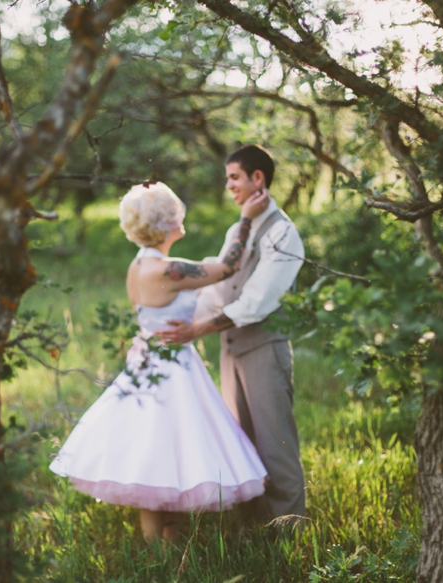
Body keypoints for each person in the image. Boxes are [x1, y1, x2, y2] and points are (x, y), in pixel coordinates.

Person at [50, 181, 270, 542]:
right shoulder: (167, 270)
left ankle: (164, 552)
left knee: (160, 453)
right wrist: (246, 218)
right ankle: (162, 556)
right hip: (170, 369)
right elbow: (228, 267)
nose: (179, 216)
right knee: (167, 450)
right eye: (174, 212)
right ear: (166, 223)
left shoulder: (139, 265)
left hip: (150, 362)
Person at [156, 145, 307, 524]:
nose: (228, 186)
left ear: (259, 179)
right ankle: (255, 527)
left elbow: (256, 301)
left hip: (264, 348)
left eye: (234, 177)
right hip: (231, 349)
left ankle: (289, 533)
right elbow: (219, 290)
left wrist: (199, 329)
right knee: (244, 443)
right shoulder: (236, 230)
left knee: (277, 446)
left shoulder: (284, 234)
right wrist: (175, 321)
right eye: (227, 179)